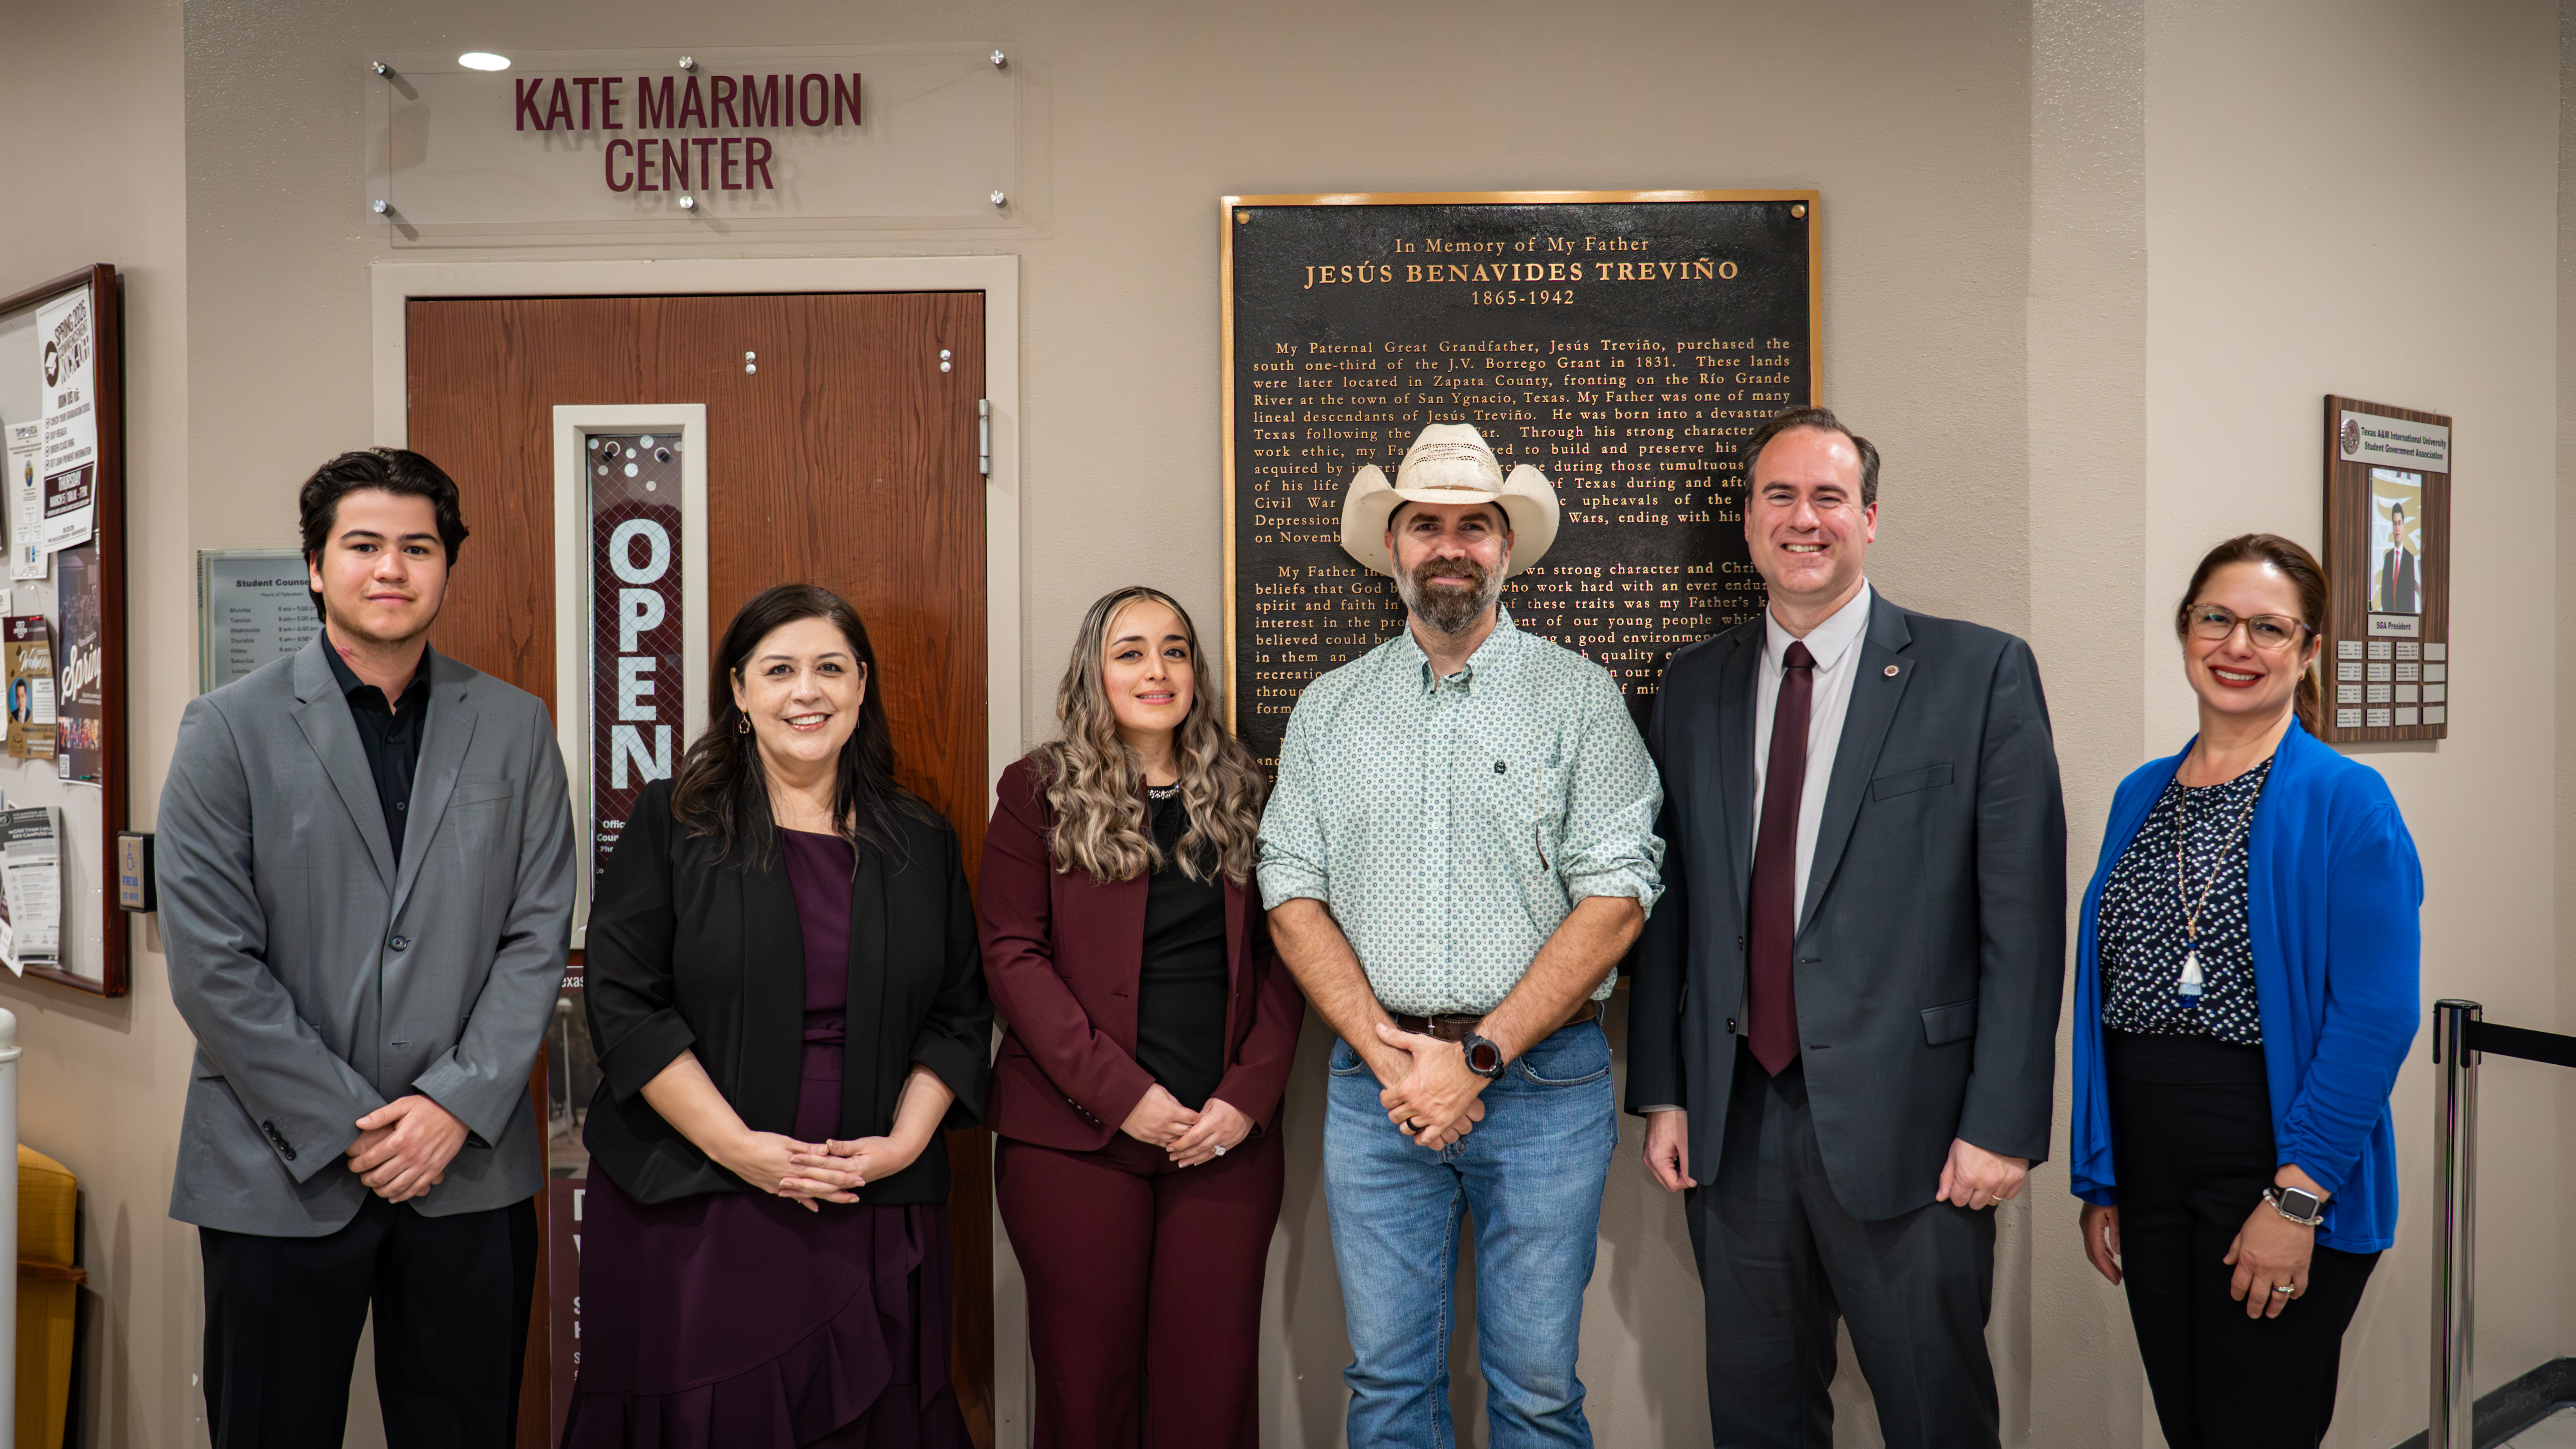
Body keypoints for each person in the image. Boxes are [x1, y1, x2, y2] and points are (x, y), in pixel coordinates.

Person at [1626, 406, 2067, 1449]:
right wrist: (1662, 1088)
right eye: (1777, 496)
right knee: (1756, 1415)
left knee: (1932, 1410)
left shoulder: (1977, 673)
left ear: (1867, 517)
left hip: (1915, 1131)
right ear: (1745, 522)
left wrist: (2001, 1121)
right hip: (1734, 1125)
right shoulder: (1690, 686)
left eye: (1827, 497)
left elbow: (2022, 918)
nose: (1802, 519)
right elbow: (1670, 903)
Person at [159, 447, 575, 1446]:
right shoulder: (227, 729)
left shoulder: (516, 726)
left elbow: (537, 935)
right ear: (315, 565)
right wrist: (355, 1122)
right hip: (279, 1167)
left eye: (417, 547)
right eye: (363, 545)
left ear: (445, 566)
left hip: (466, 1170)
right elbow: (213, 962)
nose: (391, 568)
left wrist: (451, 1105)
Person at [1260, 423, 1664, 1449]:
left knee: (1534, 1388)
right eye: (1425, 524)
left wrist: (1478, 1056)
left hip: (1543, 1088)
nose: (1449, 545)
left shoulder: (1578, 697)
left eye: (1472, 526)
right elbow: (1289, 885)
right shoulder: (1328, 710)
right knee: (1387, 1384)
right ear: (1391, 545)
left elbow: (1616, 893)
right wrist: (1389, 1047)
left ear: (1504, 547)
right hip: (1376, 1086)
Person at [566, 583, 991, 1445]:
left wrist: (902, 1147)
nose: (808, 691)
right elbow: (624, 1000)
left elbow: (957, 1012)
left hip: (871, 1188)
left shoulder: (921, 840)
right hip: (701, 1195)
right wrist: (742, 1151)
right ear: (738, 690)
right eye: (780, 669)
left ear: (862, 686)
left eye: (831, 668)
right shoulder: (673, 823)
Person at [2071, 534, 2420, 1449]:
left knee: (2251, 1431)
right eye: (2215, 618)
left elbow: (2374, 1014)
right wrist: (2104, 1170)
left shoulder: (2347, 799)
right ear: (2185, 627)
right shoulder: (2138, 793)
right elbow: (2115, 994)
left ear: (2306, 652)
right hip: (2148, 1171)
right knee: (2191, 1428)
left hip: (2275, 1161)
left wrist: (2296, 1196)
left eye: (2268, 628)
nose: (2236, 645)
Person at [979, 585, 1305, 1449]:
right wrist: (1124, 1097)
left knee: (1214, 1389)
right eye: (1130, 651)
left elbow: (1287, 957)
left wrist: (1246, 1099)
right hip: (1075, 1140)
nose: (1156, 669)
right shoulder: (1036, 792)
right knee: (1088, 1392)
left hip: (1223, 1141)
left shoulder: (1245, 789)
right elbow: (1012, 958)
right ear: (1095, 672)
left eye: (1174, 649)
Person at [2375, 500, 2419, 614]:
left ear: (2403, 526)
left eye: (2399, 523)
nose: (2397, 528)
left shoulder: (2409, 559)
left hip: (2404, 623)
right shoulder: (2388, 557)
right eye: (2395, 524)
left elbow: (2410, 598)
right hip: (2388, 620)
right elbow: (2384, 593)